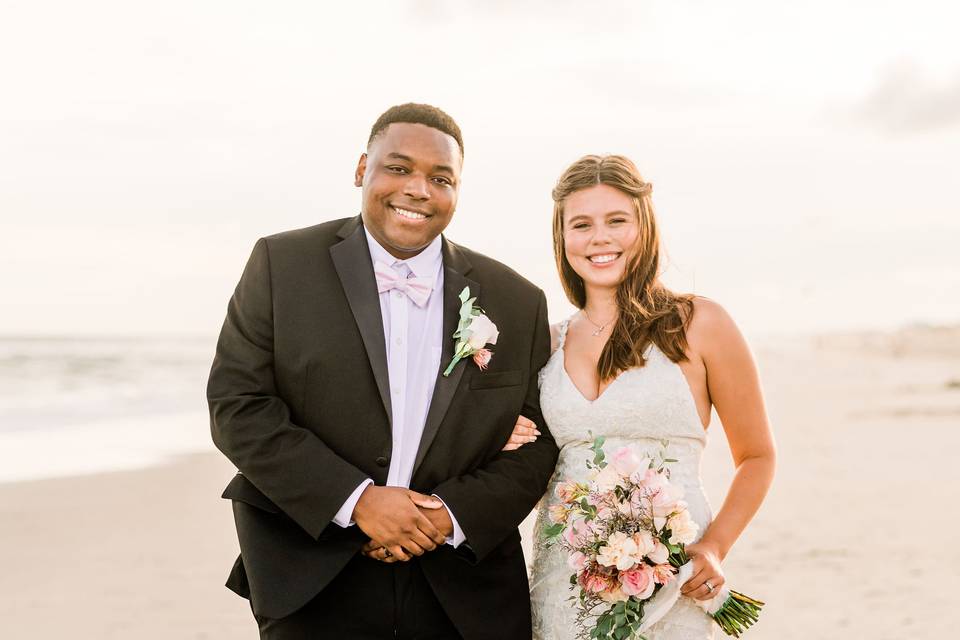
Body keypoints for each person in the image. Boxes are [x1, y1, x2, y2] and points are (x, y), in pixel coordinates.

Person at [207, 103, 559, 640]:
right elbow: (239, 405)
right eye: (399, 168)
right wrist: (359, 502)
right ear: (361, 170)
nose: (419, 189)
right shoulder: (282, 264)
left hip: (463, 581)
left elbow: (539, 440)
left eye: (440, 178)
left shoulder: (516, 299)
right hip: (314, 568)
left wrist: (447, 515)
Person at [503, 155, 776, 639]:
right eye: (581, 224)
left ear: (644, 227)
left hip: (673, 576)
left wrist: (713, 548)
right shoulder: (546, 343)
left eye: (616, 221)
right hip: (566, 581)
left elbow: (756, 456)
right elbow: (517, 449)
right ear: (562, 238)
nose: (599, 238)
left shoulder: (700, 324)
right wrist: (501, 434)